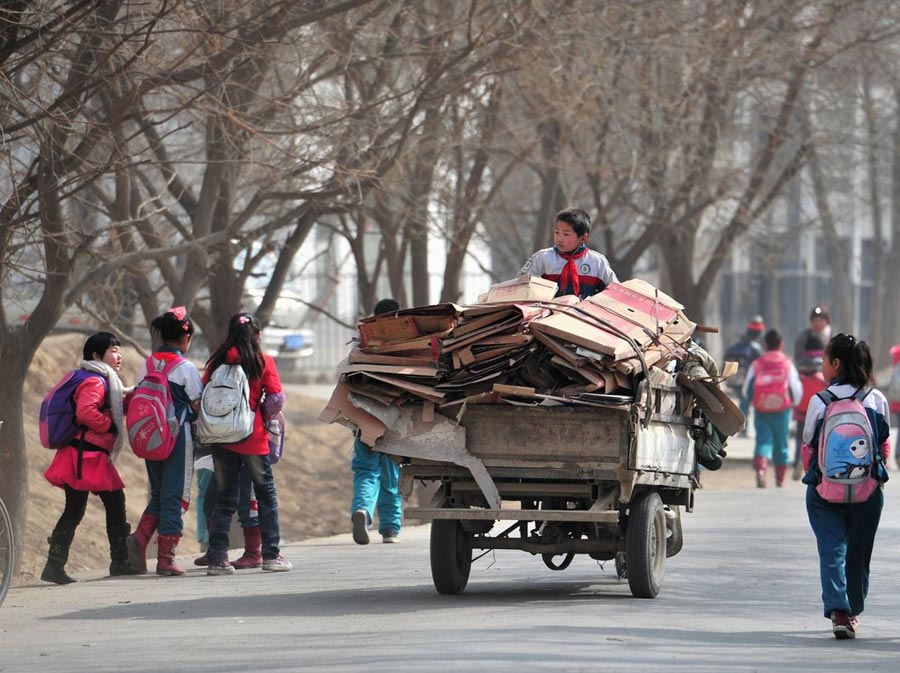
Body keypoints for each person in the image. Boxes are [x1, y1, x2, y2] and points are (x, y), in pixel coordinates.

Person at [800, 333, 890, 639]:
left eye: (825, 360)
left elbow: (808, 447)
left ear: (836, 363)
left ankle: (839, 611)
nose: (822, 365)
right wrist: (871, 479)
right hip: (867, 494)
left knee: (831, 551)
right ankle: (853, 610)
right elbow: (883, 445)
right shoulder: (875, 399)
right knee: (858, 554)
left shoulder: (820, 401)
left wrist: (820, 478)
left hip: (825, 494)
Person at [41, 332, 139, 583]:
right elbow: (86, 412)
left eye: (119, 350)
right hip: (85, 456)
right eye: (113, 350)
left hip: (85, 454)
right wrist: (109, 426)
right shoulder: (96, 381)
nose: (119, 356)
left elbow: (106, 406)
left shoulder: (102, 380)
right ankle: (118, 561)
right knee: (107, 503)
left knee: (79, 508)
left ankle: (55, 564)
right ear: (96, 355)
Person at [204, 313, 290, 574]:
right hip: (252, 439)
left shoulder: (217, 360)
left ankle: (217, 559)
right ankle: (271, 555)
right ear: (257, 335)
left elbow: (205, 393)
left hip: (222, 439)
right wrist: (260, 412)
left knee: (224, 498)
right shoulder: (262, 360)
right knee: (266, 496)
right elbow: (276, 399)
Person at [126, 308, 203, 576]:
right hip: (178, 439)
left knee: (159, 492)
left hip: (151, 439)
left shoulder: (147, 365)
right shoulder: (186, 368)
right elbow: (197, 404)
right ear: (185, 339)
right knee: (175, 495)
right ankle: (166, 559)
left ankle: (140, 537)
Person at [351, 298, 404, 545]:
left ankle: (362, 509)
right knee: (391, 475)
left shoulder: (362, 343)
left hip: (365, 418)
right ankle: (390, 529)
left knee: (366, 470)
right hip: (395, 419)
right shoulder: (406, 343)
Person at [742, 329, 802, 488]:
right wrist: (795, 403)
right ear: (782, 344)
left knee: (763, 440)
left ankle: (761, 471)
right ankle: (779, 479)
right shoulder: (787, 364)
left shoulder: (757, 364)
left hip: (761, 408)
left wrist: (751, 400)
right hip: (782, 410)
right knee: (781, 443)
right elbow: (796, 388)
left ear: (765, 344)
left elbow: (746, 389)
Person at [518, 208, 618, 299]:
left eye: (566, 234)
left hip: (582, 313)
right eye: (557, 232)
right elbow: (519, 287)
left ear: (583, 238)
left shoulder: (597, 262)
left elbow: (615, 292)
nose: (559, 239)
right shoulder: (542, 258)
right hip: (546, 312)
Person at [791, 333, 827, 481]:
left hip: (802, 408)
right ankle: (813, 463)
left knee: (800, 437)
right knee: (818, 438)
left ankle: (798, 460)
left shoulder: (801, 361)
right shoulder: (824, 361)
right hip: (819, 406)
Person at [723, 316, 765, 436]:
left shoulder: (735, 345)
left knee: (743, 403)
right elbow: (760, 364)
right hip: (748, 380)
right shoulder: (755, 347)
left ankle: (741, 428)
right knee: (746, 403)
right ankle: (743, 429)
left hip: (734, 378)